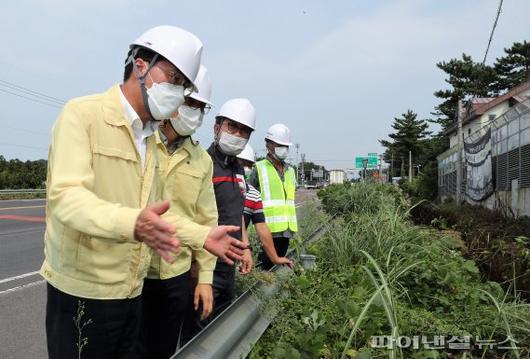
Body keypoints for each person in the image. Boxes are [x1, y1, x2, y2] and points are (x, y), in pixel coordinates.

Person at [41, 26, 245, 359]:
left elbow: (156, 214)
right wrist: (133, 223)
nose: (178, 93)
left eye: (184, 85)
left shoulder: (148, 139)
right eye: (174, 79)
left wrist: (202, 235)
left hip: (130, 292)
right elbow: (67, 199)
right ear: (141, 66)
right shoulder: (82, 115)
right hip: (84, 293)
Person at [137, 65, 218, 358]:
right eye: (188, 103)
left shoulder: (201, 160)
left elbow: (207, 221)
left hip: (175, 276)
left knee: (162, 350)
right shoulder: (142, 141)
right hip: (134, 270)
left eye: (199, 107)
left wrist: (205, 279)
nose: (193, 112)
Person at [249, 124, 298, 270]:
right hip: (265, 231)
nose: (284, 149)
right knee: (263, 269)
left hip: (286, 231)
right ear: (268, 145)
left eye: (286, 146)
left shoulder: (290, 170)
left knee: (276, 269)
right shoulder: (259, 168)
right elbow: (249, 199)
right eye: (280, 145)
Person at [237, 144, 293, 269]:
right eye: (241, 163)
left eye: (249, 165)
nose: (245, 168)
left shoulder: (254, 195)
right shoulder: (217, 187)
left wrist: (275, 258)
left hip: (235, 250)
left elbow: (261, 228)